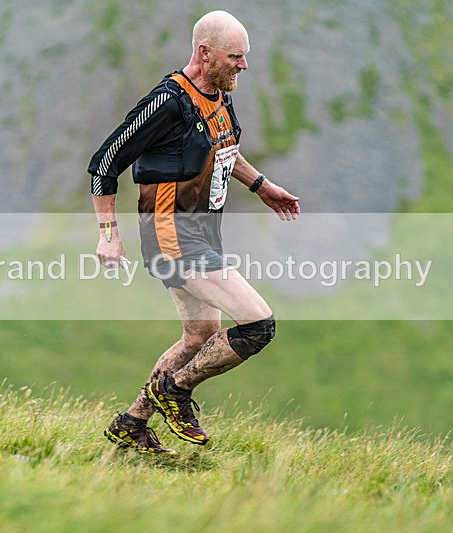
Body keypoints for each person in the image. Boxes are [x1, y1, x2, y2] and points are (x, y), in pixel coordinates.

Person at [88, 10, 301, 453]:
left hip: (203, 236)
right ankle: (175, 391)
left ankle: (131, 423)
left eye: (245, 56)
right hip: (172, 239)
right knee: (259, 324)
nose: (244, 65)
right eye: (235, 56)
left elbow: (225, 149)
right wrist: (108, 233)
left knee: (199, 336)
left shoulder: (220, 95)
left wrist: (262, 187)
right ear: (205, 53)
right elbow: (104, 163)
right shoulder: (167, 102)